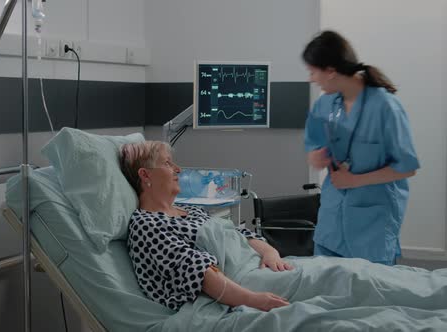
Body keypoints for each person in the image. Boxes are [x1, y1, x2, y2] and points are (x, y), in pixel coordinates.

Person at [119, 140, 293, 312]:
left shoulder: (190, 210)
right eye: (167, 163)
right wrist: (255, 300)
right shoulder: (147, 225)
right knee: (316, 282)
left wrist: (270, 252)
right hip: (241, 283)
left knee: (318, 273)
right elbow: (199, 272)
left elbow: (238, 232)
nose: (178, 169)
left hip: (261, 266)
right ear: (145, 175)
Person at [303, 30, 420, 265]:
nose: (311, 78)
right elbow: (314, 146)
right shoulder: (325, 103)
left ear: (331, 71)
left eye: (313, 71)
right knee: (324, 286)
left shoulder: (386, 107)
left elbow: (407, 168)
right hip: (331, 219)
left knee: (367, 294)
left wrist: (355, 181)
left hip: (371, 224)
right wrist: (316, 157)